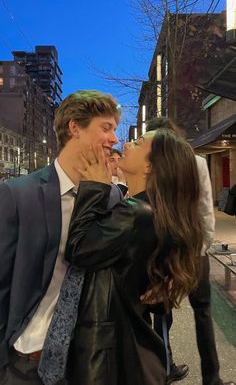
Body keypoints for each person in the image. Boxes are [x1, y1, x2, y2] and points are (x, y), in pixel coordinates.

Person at [0, 90, 122, 385]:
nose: (114, 139)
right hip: (28, 361)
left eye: (115, 130)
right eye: (106, 128)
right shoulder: (18, 194)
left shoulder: (113, 197)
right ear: (74, 127)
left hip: (93, 362)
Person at [63, 129, 203, 384]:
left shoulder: (135, 213)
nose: (125, 145)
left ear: (150, 166)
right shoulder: (152, 209)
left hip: (106, 354)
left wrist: (94, 187)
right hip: (130, 344)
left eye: (138, 143)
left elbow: (79, 248)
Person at [146, 117, 235, 385]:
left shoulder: (151, 167)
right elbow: (205, 209)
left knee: (161, 314)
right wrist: (202, 248)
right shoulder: (195, 162)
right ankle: (212, 377)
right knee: (203, 312)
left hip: (161, 249)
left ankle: (164, 369)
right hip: (194, 249)